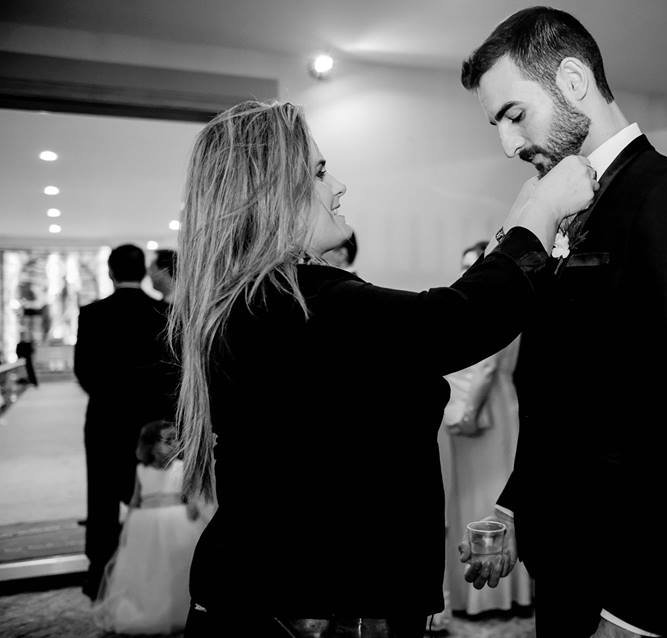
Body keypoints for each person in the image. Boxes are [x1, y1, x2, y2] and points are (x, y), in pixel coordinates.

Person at [172, 100, 597, 637]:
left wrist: (521, 220)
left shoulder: (260, 304)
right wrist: (543, 210)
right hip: (314, 611)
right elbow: (457, 323)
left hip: (279, 595)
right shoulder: (302, 306)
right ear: (273, 193)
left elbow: (441, 319)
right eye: (319, 172)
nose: (338, 187)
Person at [458, 8, 667, 637]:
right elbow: (560, 390)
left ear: (574, 81)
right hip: (566, 563)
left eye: (514, 114)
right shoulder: (556, 206)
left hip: (634, 583)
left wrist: (637, 612)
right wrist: (515, 507)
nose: (509, 145)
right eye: (497, 124)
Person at [74, 243, 178, 599]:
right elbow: (171, 371)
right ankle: (157, 567)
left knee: (101, 495)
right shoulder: (163, 312)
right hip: (152, 423)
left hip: (105, 419)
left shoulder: (92, 313)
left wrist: (112, 396)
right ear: (142, 272)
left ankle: (99, 573)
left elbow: (84, 372)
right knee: (154, 491)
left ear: (110, 271)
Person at [442, 241, 532, 616]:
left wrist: (464, 415)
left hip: (484, 411)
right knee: (479, 497)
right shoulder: (511, 304)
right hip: (500, 405)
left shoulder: (492, 308)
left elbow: (485, 368)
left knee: (486, 499)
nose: (467, 273)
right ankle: (501, 593)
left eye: (473, 265)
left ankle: (486, 596)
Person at [93, 420, 205, 634]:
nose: (174, 444)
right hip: (146, 527)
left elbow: (192, 491)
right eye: (167, 440)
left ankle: (178, 610)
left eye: (176, 439)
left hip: (176, 523)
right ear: (151, 446)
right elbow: (135, 500)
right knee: (148, 571)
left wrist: (193, 504)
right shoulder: (141, 470)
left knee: (177, 569)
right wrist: (127, 528)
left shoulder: (181, 468)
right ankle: (150, 610)